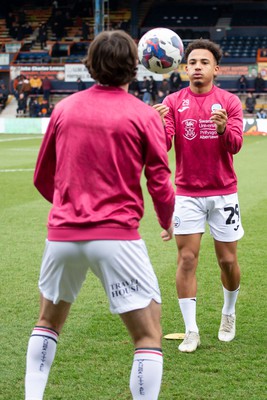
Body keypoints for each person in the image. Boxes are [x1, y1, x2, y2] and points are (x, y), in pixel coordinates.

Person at [24, 30, 175, 400]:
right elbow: (159, 180)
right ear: (135, 67)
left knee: (47, 322)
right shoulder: (143, 115)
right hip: (117, 237)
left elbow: (42, 176)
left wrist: (68, 210)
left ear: (90, 64)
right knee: (148, 335)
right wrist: (166, 219)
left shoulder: (64, 109)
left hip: (62, 236)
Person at [154, 38, 244, 353]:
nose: (197, 67)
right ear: (184, 67)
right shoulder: (174, 101)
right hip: (188, 193)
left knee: (228, 260)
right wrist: (156, 124)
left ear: (215, 69)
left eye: (203, 62)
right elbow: (162, 147)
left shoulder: (230, 102)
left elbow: (235, 145)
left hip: (223, 193)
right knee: (187, 258)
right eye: (192, 62)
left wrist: (222, 129)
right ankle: (191, 330)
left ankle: (228, 312)